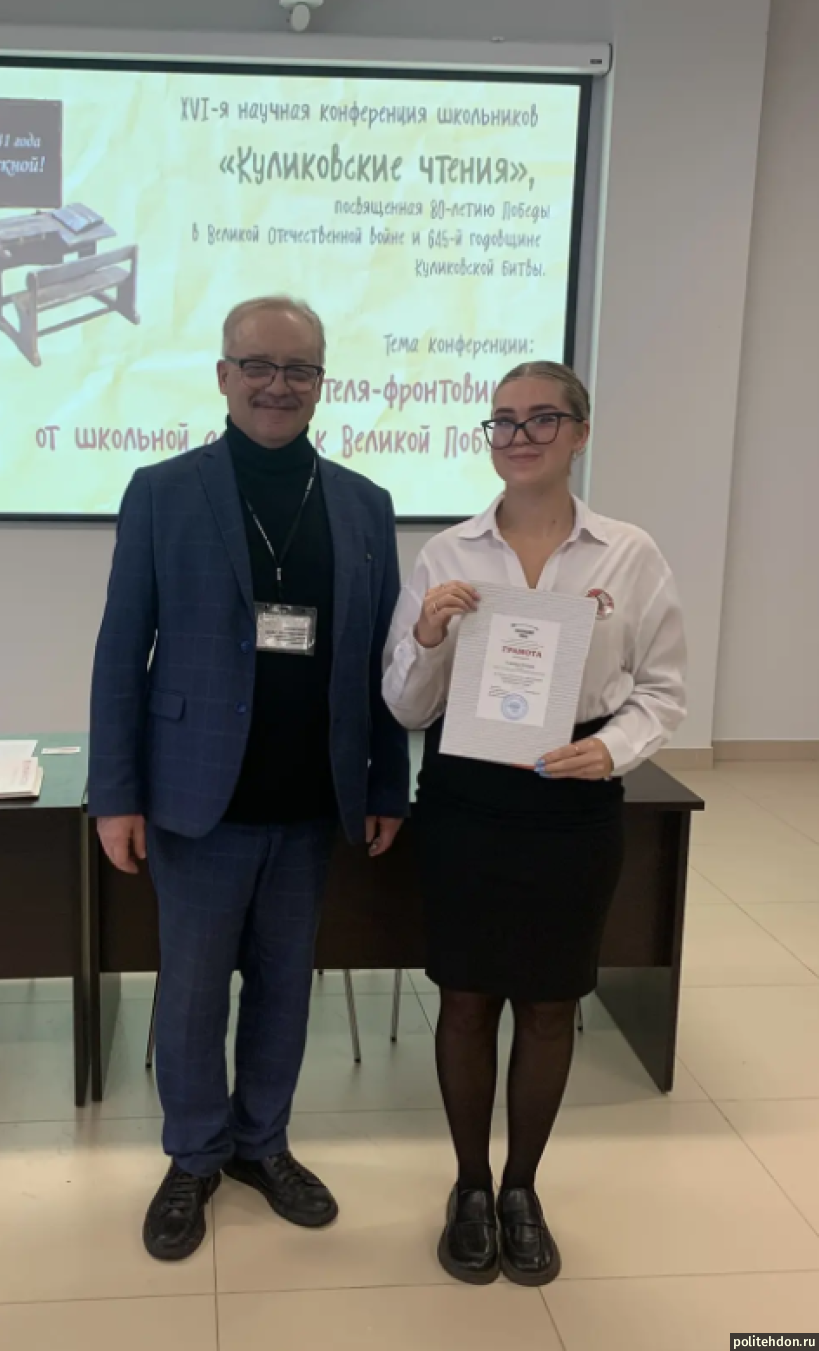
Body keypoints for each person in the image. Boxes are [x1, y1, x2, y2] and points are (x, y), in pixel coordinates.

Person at [89, 295, 409, 1263]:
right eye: (259, 365)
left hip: (313, 799)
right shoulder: (162, 490)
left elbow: (380, 660)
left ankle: (261, 1143)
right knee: (191, 994)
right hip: (197, 798)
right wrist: (116, 793)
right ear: (223, 375)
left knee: (283, 986)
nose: (278, 384)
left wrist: (386, 785)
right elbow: (120, 651)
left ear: (321, 382)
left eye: (299, 368)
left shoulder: (363, 503)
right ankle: (193, 1155)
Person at [382, 361, 686, 1287]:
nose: (520, 436)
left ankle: (522, 1188)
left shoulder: (629, 554)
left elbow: (663, 688)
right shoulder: (447, 553)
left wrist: (615, 748)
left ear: (580, 433)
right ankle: (470, 1187)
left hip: (572, 802)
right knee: (467, 997)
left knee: (551, 1002)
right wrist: (427, 637)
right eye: (504, 420)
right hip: (468, 801)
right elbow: (403, 704)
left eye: (542, 418)